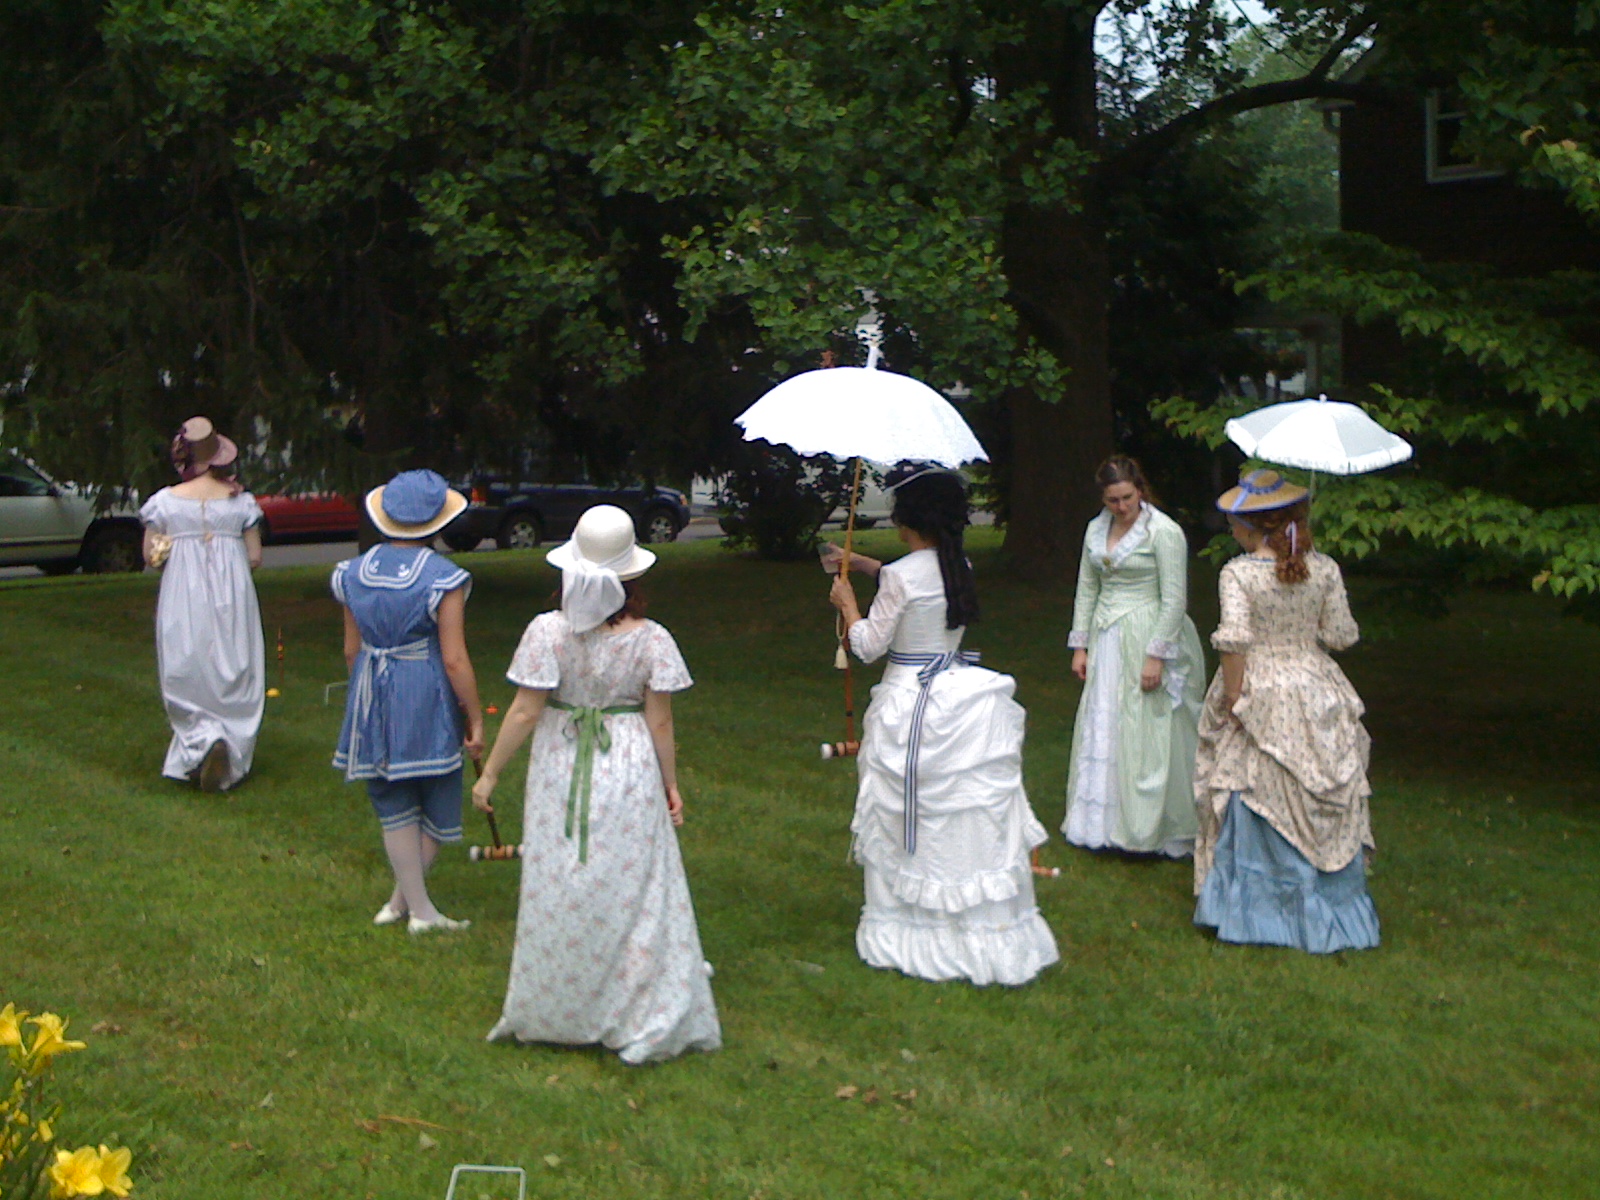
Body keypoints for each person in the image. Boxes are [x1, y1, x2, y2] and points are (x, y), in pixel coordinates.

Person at [472, 504, 721, 1064]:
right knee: (631, 883)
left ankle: (564, 1003)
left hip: (563, 763)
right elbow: (659, 720)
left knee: (562, 876)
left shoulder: (547, 631)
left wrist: (490, 773)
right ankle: (630, 999)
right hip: (628, 763)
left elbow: (524, 712)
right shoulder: (652, 638)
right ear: (633, 576)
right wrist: (669, 782)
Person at [825, 465, 1059, 986]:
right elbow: (917, 582)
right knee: (961, 813)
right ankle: (975, 918)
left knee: (911, 810)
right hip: (957, 690)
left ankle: (908, 920)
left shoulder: (904, 576)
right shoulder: (961, 563)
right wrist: (867, 565)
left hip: (911, 697)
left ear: (910, 519)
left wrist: (848, 604)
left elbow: (867, 646)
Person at [1192, 469, 1379, 953]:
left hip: (1260, 685)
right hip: (1315, 685)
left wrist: (1236, 701)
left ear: (1250, 525)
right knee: (1316, 787)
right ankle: (1326, 907)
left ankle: (1263, 914)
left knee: (1256, 783)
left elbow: (1234, 641)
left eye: (1234, 520)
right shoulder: (1326, 568)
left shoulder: (1238, 573)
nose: (1231, 528)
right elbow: (1341, 635)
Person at [332, 469, 483, 934]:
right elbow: (454, 659)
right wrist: (474, 717)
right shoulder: (444, 578)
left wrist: (366, 696)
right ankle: (421, 912)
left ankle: (402, 902)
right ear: (437, 523)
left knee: (392, 798)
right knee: (438, 799)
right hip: (424, 691)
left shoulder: (352, 572)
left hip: (371, 690)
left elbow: (350, 650)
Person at [1062, 456, 1205, 858]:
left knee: (1148, 729)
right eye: (1113, 501)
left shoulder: (1163, 532)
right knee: (1107, 722)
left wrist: (1156, 655)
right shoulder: (1096, 529)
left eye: (1127, 498)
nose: (1121, 507)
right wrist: (1080, 644)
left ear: (1140, 490)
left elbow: (1174, 599)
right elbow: (1087, 587)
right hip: (1108, 638)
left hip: (1148, 632)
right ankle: (1103, 824)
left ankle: (1151, 827)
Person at [140, 417, 265, 792]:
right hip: (233, 591)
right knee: (234, 659)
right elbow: (254, 556)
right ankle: (227, 736)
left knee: (187, 658)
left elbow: (149, 556)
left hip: (183, 591)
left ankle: (201, 737)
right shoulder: (240, 501)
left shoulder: (164, 502)